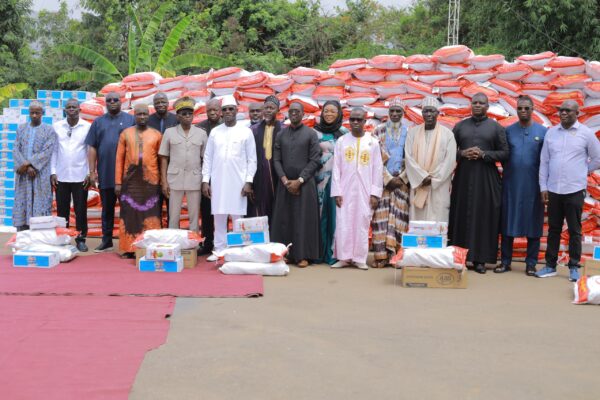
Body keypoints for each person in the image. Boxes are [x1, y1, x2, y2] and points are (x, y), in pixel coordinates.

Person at [536, 100, 600, 281]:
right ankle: (550, 266)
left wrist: (582, 171)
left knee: (574, 230)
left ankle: (573, 266)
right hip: (554, 189)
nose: (563, 113)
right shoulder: (551, 133)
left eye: (568, 111)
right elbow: (544, 161)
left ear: (577, 113)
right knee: (554, 229)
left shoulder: (586, 134)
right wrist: (543, 187)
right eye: (561, 110)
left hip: (574, 189)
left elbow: (597, 158)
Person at [449, 92, 509, 274]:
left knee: (484, 216)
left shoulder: (496, 128)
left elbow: (505, 153)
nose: (477, 105)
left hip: (487, 179)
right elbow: (448, 151)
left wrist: (484, 154)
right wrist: (462, 153)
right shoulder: (460, 126)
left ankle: (480, 260)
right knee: (461, 215)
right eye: (474, 102)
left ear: (487, 107)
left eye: (481, 103)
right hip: (463, 178)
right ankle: (460, 257)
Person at [201, 96, 257, 262]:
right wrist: (205, 180)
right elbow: (208, 157)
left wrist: (249, 181)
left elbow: (252, 159)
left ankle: (238, 250)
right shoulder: (215, 132)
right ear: (221, 112)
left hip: (238, 182)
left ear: (236, 110)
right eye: (224, 109)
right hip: (218, 181)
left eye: (230, 109)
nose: (227, 112)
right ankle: (219, 250)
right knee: (219, 216)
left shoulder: (245, 132)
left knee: (238, 217)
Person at [497, 95, 547, 276]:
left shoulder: (543, 132)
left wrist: (544, 185)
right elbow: (503, 156)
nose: (523, 111)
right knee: (508, 221)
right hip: (511, 184)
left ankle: (531, 263)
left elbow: (546, 160)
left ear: (533, 109)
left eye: (527, 108)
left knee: (533, 223)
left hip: (534, 185)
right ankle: (505, 262)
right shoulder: (508, 131)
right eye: (520, 108)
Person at [330, 108, 383, 269]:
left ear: (365, 121)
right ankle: (344, 258)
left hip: (365, 190)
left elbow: (377, 169)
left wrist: (375, 193)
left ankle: (360, 258)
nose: (355, 122)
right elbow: (336, 168)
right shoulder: (342, 141)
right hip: (345, 190)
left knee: (362, 222)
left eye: (358, 119)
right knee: (343, 222)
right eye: (352, 119)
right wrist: (337, 191)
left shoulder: (372, 142)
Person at [271, 102, 322, 268]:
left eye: (297, 111)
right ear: (287, 113)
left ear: (303, 114)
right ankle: (284, 253)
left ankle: (303, 255)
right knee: (284, 219)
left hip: (305, 184)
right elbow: (276, 159)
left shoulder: (311, 134)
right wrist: (285, 180)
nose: (294, 113)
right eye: (291, 111)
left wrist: (300, 180)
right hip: (285, 184)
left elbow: (315, 159)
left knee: (303, 219)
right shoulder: (281, 135)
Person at [85, 92, 135, 252]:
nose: (112, 102)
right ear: (105, 103)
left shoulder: (131, 120)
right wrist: (92, 172)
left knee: (128, 209)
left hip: (127, 175)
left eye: (115, 100)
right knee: (107, 209)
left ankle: (128, 242)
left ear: (121, 102)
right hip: (106, 173)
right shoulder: (98, 122)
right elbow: (92, 147)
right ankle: (106, 241)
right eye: (109, 100)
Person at [114, 104, 163, 258]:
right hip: (130, 182)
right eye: (139, 114)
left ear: (148, 116)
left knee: (150, 214)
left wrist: (162, 181)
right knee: (130, 215)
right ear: (134, 116)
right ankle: (130, 249)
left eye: (144, 114)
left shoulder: (156, 134)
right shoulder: (126, 133)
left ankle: (150, 247)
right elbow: (119, 159)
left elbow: (162, 160)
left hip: (151, 181)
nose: (142, 117)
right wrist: (118, 182)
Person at [371, 98, 410, 268]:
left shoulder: (409, 132)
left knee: (400, 218)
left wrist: (401, 178)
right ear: (388, 113)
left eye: (398, 111)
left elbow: (413, 158)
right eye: (392, 111)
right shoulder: (378, 131)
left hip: (402, 183)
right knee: (381, 219)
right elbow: (374, 158)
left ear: (403, 113)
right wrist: (387, 178)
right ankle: (381, 257)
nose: (395, 114)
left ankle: (396, 256)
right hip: (383, 183)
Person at [404, 97, 456, 222]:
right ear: (422, 113)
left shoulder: (448, 134)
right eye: (426, 111)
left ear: (437, 113)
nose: (429, 114)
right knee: (418, 222)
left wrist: (432, 179)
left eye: (432, 111)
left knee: (437, 219)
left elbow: (449, 161)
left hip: (438, 186)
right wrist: (422, 177)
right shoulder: (412, 133)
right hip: (419, 184)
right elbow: (408, 158)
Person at [159, 97, 207, 232]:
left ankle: (194, 241)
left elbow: (206, 159)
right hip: (175, 178)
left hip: (194, 178)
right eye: (183, 113)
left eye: (190, 113)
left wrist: (205, 180)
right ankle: (173, 240)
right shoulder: (169, 132)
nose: (187, 116)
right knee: (173, 215)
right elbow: (163, 157)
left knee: (194, 215)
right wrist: (164, 181)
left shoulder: (201, 133)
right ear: (178, 116)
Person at [51, 99, 91, 251]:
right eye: (69, 107)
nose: (71, 109)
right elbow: (54, 150)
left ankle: (81, 239)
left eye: (74, 107)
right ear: (65, 110)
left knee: (81, 209)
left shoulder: (87, 127)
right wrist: (53, 172)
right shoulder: (57, 126)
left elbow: (89, 151)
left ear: (79, 110)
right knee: (62, 210)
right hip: (61, 175)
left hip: (81, 175)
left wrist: (89, 173)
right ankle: (64, 238)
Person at [313, 100, 349, 265]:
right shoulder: (315, 133)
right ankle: (318, 252)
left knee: (336, 216)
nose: (329, 114)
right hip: (319, 179)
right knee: (320, 215)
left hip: (339, 181)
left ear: (339, 113)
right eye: (326, 111)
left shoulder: (345, 133)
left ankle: (333, 253)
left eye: (333, 111)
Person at [13, 101, 57, 231]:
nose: (34, 115)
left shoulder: (49, 130)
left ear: (42, 113)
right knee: (22, 201)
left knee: (40, 202)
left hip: (40, 174)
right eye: (32, 112)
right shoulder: (21, 129)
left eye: (37, 113)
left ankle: (39, 234)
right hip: (23, 174)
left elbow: (47, 151)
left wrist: (29, 163)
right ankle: (22, 234)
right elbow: (15, 149)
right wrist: (25, 166)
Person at [247, 95, 282, 220]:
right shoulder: (253, 130)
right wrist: (249, 182)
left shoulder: (284, 130)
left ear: (278, 110)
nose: (268, 110)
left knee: (278, 210)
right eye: (266, 108)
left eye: (272, 108)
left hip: (278, 178)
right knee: (258, 212)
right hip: (258, 179)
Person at [196, 98, 222, 255]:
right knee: (206, 211)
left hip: (223, 174)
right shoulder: (200, 128)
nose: (212, 113)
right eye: (209, 110)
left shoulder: (226, 126)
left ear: (220, 111)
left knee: (222, 210)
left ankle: (222, 242)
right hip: (205, 174)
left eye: (215, 110)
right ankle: (207, 243)